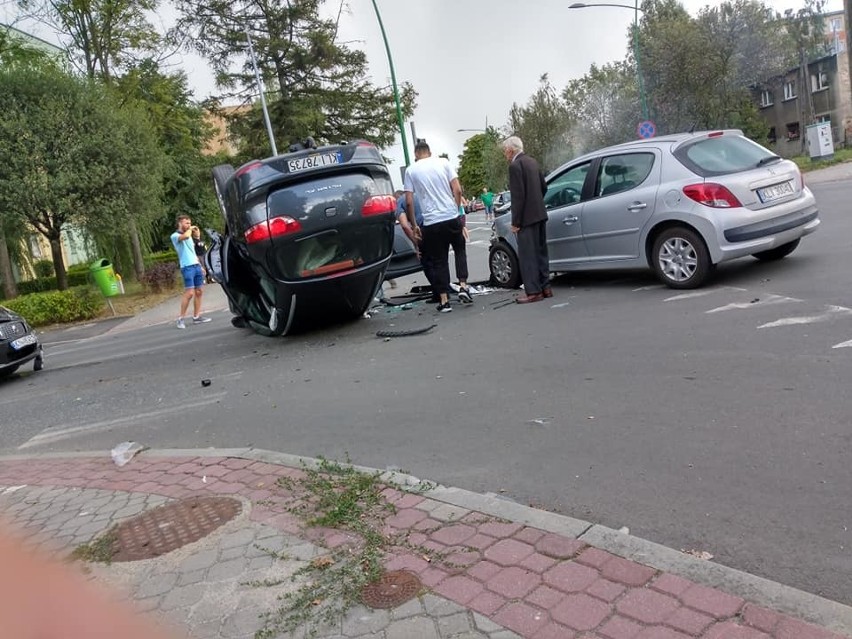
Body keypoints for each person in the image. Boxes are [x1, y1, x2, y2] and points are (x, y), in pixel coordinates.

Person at [403, 140, 472, 313]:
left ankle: (444, 300)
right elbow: (457, 190)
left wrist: (414, 225)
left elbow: (409, 201)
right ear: (430, 151)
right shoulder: (444, 162)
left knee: (439, 260)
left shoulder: (411, 170)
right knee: (459, 250)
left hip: (431, 222)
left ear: (416, 154)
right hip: (451, 216)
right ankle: (463, 286)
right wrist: (455, 210)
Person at [503, 136, 551, 304]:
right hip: (540, 214)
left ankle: (534, 291)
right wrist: (536, 203)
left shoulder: (515, 166)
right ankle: (546, 287)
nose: (505, 155)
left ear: (510, 150)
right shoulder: (532, 162)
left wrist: (516, 222)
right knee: (541, 253)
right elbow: (544, 187)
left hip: (526, 219)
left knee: (528, 256)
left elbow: (518, 197)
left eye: (505, 151)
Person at [394, 190, 437, 300]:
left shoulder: (399, 203)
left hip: (423, 228)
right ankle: (445, 289)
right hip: (436, 222)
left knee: (427, 262)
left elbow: (404, 226)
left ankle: (438, 293)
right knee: (439, 260)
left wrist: (417, 244)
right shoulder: (418, 195)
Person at [171, 214, 212, 328]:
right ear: (180, 223)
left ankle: (196, 317)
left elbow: (193, 252)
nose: (189, 225)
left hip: (195, 265)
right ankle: (181, 319)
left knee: (199, 291)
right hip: (187, 267)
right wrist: (190, 230)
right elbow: (185, 236)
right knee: (189, 293)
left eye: (189, 223)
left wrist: (200, 265)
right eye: (186, 223)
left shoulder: (189, 237)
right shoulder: (175, 236)